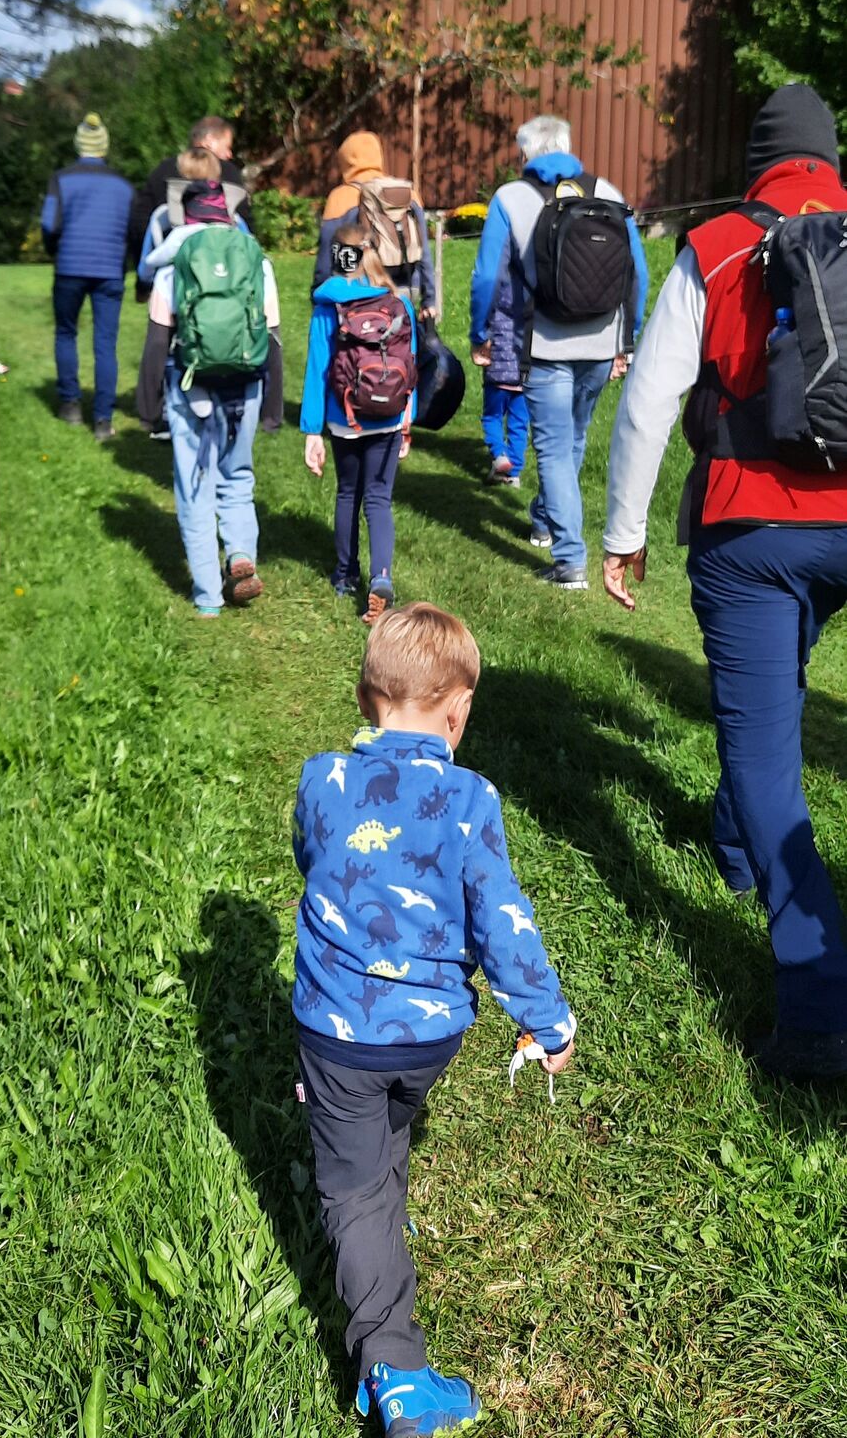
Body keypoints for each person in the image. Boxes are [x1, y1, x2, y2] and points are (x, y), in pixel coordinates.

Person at [603, 84, 847, 1081]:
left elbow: (648, 403)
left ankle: (820, 1013)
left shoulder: (715, 246)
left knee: (765, 757)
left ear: (758, 161)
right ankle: (736, 851)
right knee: (769, 698)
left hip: (751, 527)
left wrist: (623, 533)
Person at [292, 602, 576, 1436]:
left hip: (334, 1031)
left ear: (363, 697)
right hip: (428, 1036)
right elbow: (502, 919)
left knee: (351, 1184)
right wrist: (548, 1020)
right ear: (459, 712)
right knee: (383, 1134)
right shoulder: (469, 797)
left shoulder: (320, 779)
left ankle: (386, 1312)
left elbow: (312, 857)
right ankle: (391, 1313)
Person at [470, 114, 648, 590]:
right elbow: (639, 273)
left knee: (552, 449)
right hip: (601, 342)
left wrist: (479, 331)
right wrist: (628, 340)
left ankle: (570, 561)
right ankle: (545, 519)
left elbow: (487, 276)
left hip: (543, 344)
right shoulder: (607, 192)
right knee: (572, 439)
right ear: (568, 147)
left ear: (524, 154)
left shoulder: (510, 198)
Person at [141, 170, 275, 618]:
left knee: (194, 486)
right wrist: (273, 406)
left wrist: (148, 406)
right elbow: (272, 335)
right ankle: (240, 554)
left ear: (187, 215)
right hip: (246, 385)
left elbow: (158, 340)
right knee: (237, 475)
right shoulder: (256, 261)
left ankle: (208, 598)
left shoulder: (173, 264)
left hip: (190, 385)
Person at [301, 225, 417, 624]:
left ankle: (346, 575)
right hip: (389, 417)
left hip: (344, 417)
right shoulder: (399, 304)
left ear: (337, 257)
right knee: (379, 498)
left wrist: (312, 430)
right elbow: (411, 367)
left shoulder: (328, 306)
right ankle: (381, 575)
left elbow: (318, 369)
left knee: (348, 493)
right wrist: (407, 421)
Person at [135, 149, 284, 438]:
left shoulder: (164, 216)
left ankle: (157, 411)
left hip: (181, 303)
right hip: (232, 309)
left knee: (163, 339)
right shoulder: (234, 219)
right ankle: (260, 414)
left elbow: (145, 266)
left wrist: (146, 281)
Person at [40, 112, 133, 442]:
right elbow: (133, 229)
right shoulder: (124, 186)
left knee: (66, 332)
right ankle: (103, 420)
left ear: (79, 144)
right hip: (110, 270)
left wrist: (53, 249)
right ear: (104, 146)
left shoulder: (61, 179)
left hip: (69, 267)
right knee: (105, 343)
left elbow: (49, 224)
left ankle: (70, 405)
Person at [312, 131, 437, 315]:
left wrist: (318, 294)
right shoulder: (406, 193)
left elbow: (326, 258)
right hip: (406, 290)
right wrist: (430, 300)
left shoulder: (340, 197)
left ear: (345, 161)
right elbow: (423, 251)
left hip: (358, 293)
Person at [130, 116, 247, 300]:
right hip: (223, 274)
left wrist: (144, 283)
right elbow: (247, 231)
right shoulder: (229, 173)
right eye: (227, 146)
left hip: (172, 277)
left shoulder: (163, 171)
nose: (229, 154)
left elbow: (140, 222)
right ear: (209, 141)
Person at [477, 265, 529, 485]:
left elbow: (482, 330)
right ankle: (514, 473)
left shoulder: (494, 300)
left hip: (497, 375)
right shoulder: (532, 301)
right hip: (525, 375)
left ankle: (499, 454)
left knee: (492, 417)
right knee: (519, 424)